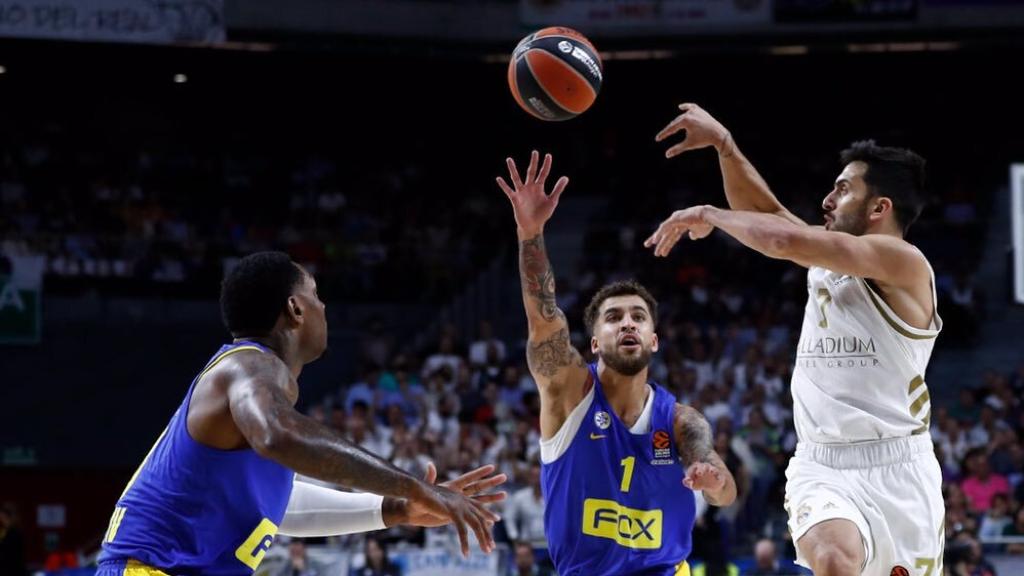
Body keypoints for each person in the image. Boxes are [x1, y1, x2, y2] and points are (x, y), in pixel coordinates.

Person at [648, 104, 944, 575]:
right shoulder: (830, 254)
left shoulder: (904, 262)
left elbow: (782, 241)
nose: (828, 199)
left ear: (879, 208)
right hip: (820, 461)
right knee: (831, 558)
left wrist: (709, 213)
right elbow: (768, 217)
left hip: (898, 468)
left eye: (843, 190)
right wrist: (726, 147)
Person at [97, 252, 505, 575]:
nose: (323, 306)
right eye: (317, 295)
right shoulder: (250, 366)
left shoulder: (250, 386)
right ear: (295, 309)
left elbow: (280, 507)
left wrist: (395, 509)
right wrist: (416, 487)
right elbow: (279, 434)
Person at [496, 152, 737, 576]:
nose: (628, 323)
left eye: (638, 317)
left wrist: (712, 480)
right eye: (614, 317)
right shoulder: (568, 393)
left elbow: (724, 490)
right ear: (593, 342)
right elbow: (544, 317)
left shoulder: (681, 420)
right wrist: (530, 233)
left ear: (654, 340)